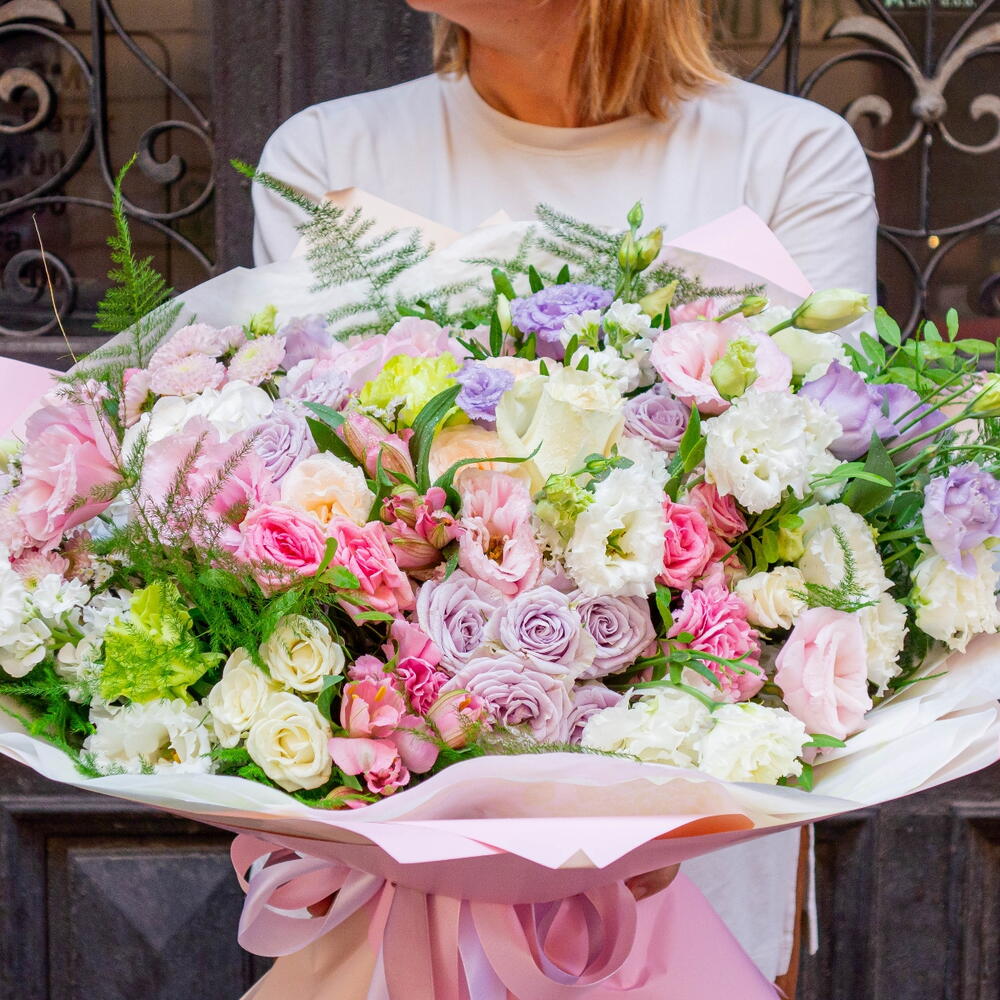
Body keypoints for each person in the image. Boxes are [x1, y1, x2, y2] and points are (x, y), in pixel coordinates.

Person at [252, 0, 879, 992]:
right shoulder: (331, 153)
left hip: (686, 845)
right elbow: (283, 484)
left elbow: (821, 496)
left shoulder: (786, 156)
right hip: (392, 853)